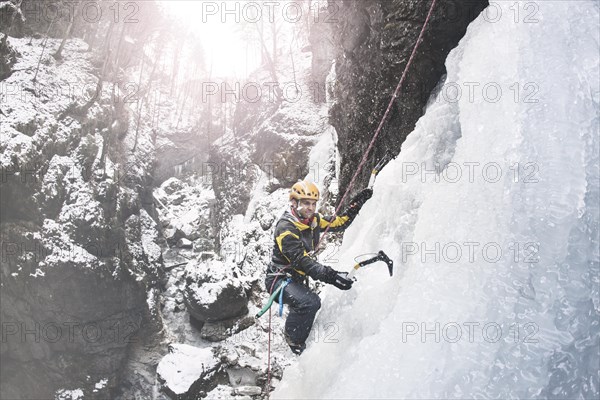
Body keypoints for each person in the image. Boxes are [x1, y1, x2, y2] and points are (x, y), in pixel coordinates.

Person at [265, 180, 373, 355]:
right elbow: (301, 261)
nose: (310, 208)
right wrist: (331, 276)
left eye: (313, 204)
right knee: (310, 302)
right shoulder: (286, 229)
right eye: (306, 203)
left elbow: (339, 223)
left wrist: (357, 203)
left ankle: (300, 331)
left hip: (296, 279)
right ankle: (294, 340)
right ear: (294, 202)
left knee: (306, 303)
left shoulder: (313, 220)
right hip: (279, 280)